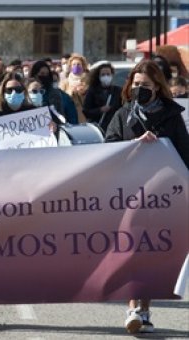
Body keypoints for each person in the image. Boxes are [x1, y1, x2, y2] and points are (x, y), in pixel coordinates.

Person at [105, 60, 189, 334]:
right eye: (136, 84)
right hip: (127, 194)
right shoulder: (122, 114)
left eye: (146, 86)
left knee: (152, 252)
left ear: (157, 88)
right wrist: (134, 145)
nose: (140, 89)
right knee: (132, 250)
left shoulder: (171, 116)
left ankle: (145, 310)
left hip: (161, 196)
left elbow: (184, 154)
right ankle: (133, 307)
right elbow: (107, 150)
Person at [83, 62, 123, 133]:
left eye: (108, 74)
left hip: (115, 127)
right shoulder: (92, 91)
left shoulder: (118, 91)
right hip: (98, 128)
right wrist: (100, 110)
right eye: (103, 74)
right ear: (98, 76)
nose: (106, 77)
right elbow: (86, 111)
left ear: (112, 75)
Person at [60, 54, 89, 122]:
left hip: (85, 115)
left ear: (83, 66)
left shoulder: (88, 81)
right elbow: (61, 97)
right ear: (70, 67)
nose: (76, 66)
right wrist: (71, 91)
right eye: (74, 64)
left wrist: (83, 92)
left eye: (78, 64)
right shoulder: (65, 82)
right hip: (70, 114)